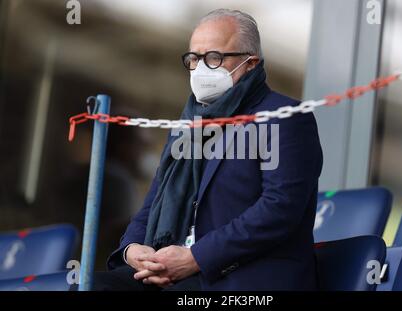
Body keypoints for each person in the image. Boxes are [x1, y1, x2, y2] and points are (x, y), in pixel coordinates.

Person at [85, 8, 323, 291]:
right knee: (90, 287)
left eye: (214, 58)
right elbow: (154, 201)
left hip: (243, 280)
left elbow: (279, 209)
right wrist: (133, 249)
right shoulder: (190, 125)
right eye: (193, 59)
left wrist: (196, 257)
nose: (200, 68)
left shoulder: (285, 116)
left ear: (250, 63)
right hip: (173, 274)